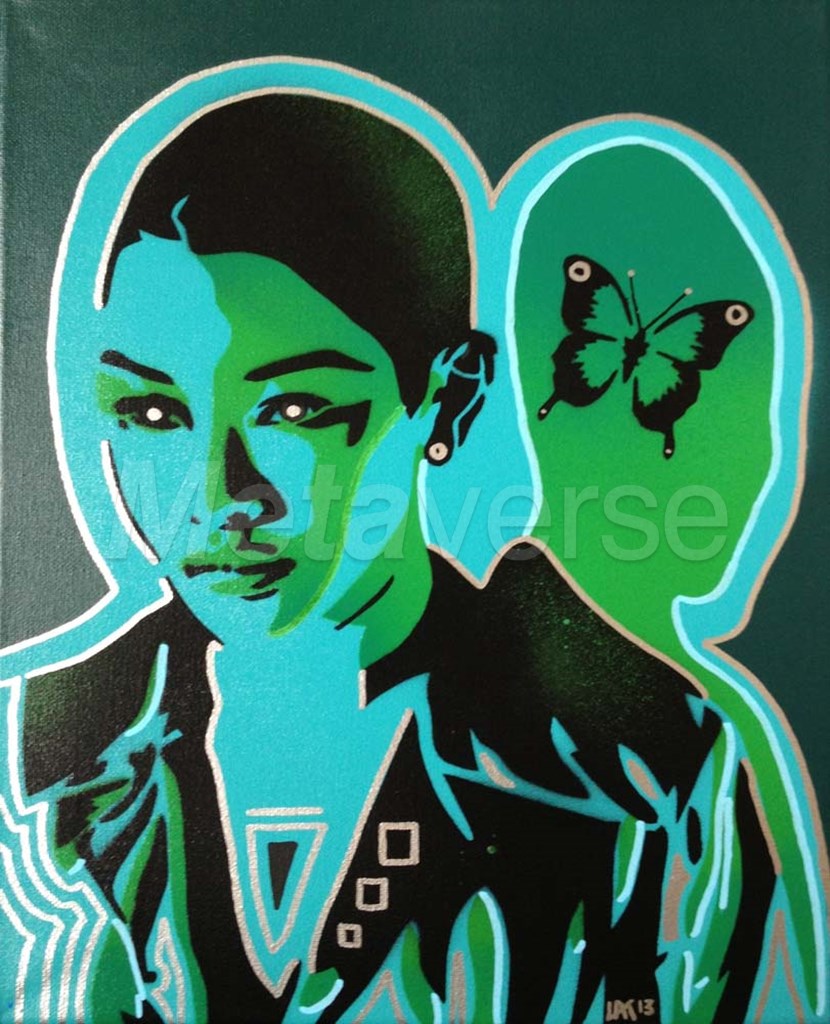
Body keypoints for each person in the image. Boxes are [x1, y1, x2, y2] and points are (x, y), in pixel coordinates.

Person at [19, 92, 773, 1023]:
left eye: (296, 412)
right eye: (152, 414)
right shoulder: (26, 766)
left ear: (450, 398)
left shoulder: (644, 773)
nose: (217, 494)